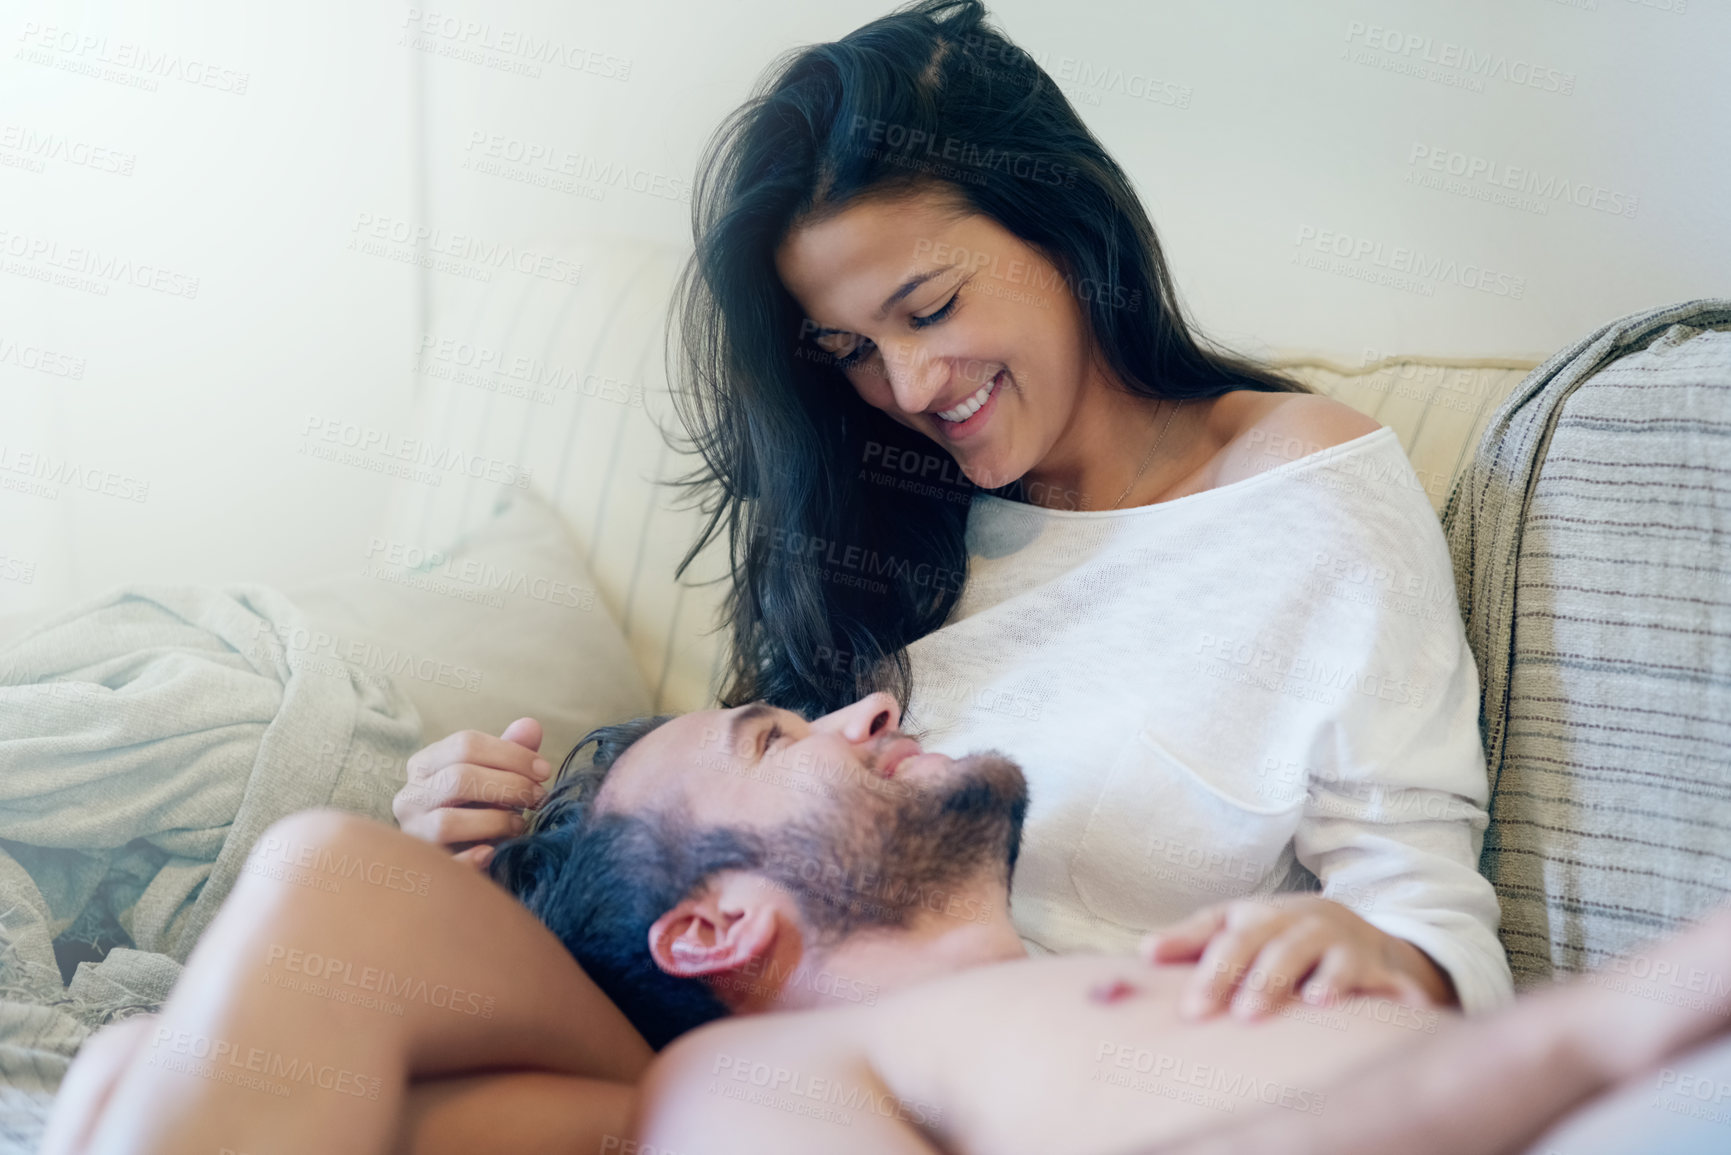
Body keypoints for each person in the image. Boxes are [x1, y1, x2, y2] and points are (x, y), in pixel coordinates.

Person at [395, 0, 1515, 1013]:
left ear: (1063, 226)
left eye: (928, 308)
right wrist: (490, 868)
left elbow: (1428, 916)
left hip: (1066, 1088)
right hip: (775, 1086)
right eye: (850, 351)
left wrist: (1375, 959)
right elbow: (721, 897)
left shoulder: (1298, 489)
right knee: (349, 893)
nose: (911, 388)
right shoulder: (880, 517)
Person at [50, 696, 1731, 1154]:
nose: (864, 705)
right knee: (320, 883)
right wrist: (1590, 1034)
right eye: (779, 742)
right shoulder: (757, 1090)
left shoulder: (1072, 994)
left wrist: (1384, 975)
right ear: (710, 931)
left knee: (145, 1061)